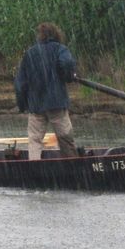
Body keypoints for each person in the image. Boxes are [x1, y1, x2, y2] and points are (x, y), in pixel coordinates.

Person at [14, 22, 78, 160]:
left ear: (40, 36)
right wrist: (68, 76)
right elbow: (67, 64)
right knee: (65, 137)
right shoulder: (60, 49)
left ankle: (35, 167)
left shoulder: (30, 53)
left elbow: (20, 83)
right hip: (56, 102)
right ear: (56, 34)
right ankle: (73, 165)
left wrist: (23, 105)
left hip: (36, 105)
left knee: (35, 140)